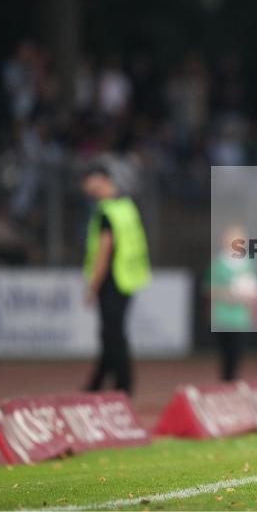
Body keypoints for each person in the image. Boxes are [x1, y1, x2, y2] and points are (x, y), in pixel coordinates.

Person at [82, 164, 151, 396]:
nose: (85, 187)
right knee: (111, 335)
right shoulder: (127, 207)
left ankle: (123, 387)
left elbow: (104, 250)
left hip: (112, 281)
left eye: (87, 180)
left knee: (113, 336)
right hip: (129, 278)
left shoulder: (107, 212)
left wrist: (92, 286)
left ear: (101, 179)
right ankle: (96, 385)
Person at [204, 225, 257, 381]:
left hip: (240, 318)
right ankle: (226, 382)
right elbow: (209, 289)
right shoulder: (217, 263)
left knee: (236, 353)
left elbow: (254, 288)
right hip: (222, 316)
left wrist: (250, 298)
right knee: (225, 353)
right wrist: (230, 294)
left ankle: (231, 382)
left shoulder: (248, 263)